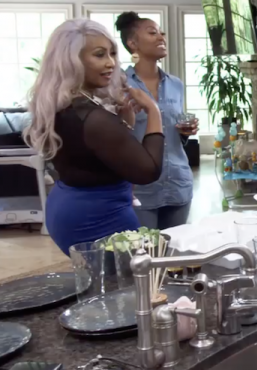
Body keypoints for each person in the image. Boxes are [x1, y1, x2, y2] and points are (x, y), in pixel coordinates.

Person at [24, 19, 164, 256]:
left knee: (96, 275)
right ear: (72, 60)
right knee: (125, 276)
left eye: (112, 53)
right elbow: (148, 171)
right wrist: (154, 111)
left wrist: (125, 121)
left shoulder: (64, 106)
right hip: (97, 217)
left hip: (69, 205)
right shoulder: (94, 118)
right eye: (99, 55)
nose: (111, 63)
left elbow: (102, 155)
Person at [115, 12, 197, 230]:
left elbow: (172, 131)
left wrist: (185, 132)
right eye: (152, 33)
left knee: (175, 248)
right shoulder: (119, 86)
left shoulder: (175, 84)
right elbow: (115, 137)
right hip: (139, 188)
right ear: (133, 43)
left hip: (178, 183)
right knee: (144, 249)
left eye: (162, 33)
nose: (161, 37)